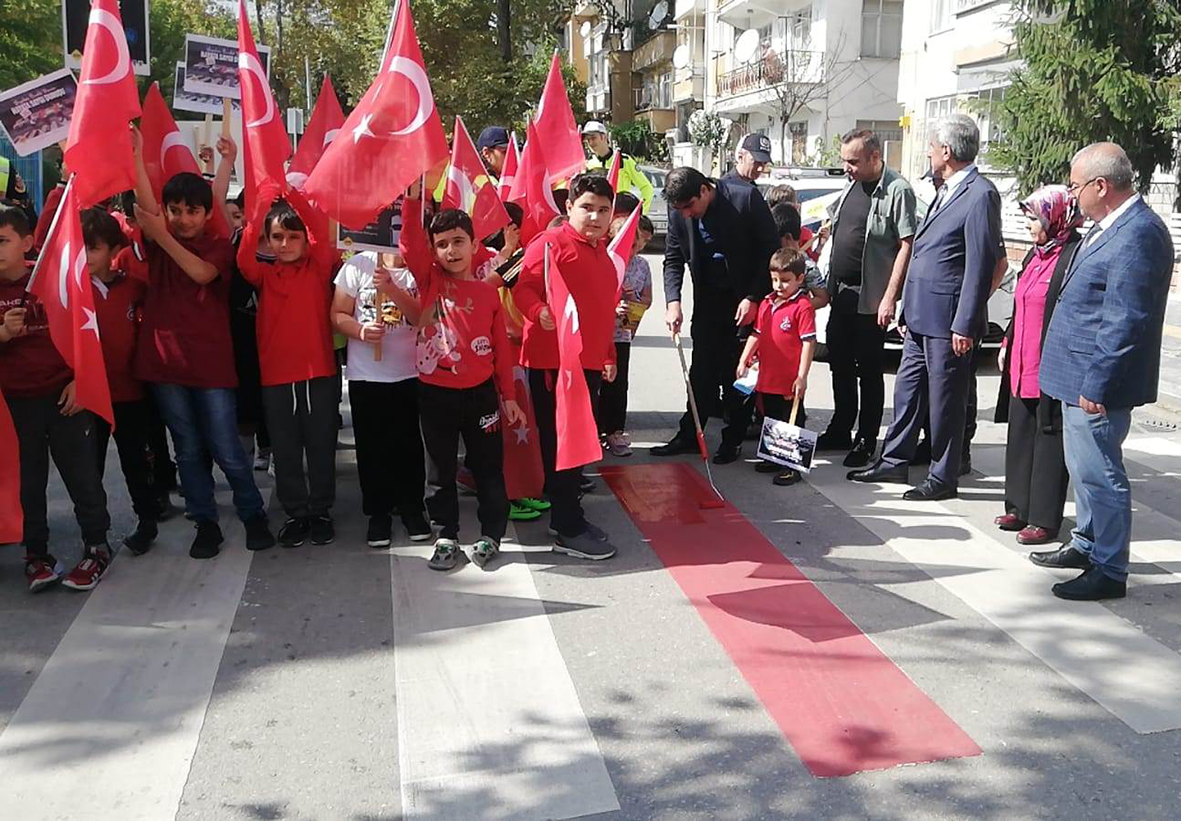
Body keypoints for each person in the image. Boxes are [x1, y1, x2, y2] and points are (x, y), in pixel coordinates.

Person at [1032, 142, 1174, 601]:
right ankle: (1087, 542)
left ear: (1101, 185)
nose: (1070, 195)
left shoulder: (1139, 233)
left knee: (1100, 472)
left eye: (1075, 186)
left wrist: (1099, 382)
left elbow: (1125, 319)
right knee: (1083, 467)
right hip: (1075, 375)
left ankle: (1110, 567)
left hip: (1096, 382)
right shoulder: (1103, 226)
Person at [131, 132, 276, 559]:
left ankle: (252, 513)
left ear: (205, 213)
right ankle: (205, 521)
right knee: (188, 449)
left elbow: (200, 274)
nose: (181, 218)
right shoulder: (156, 241)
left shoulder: (216, 245)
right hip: (164, 366)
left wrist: (163, 234)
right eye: (174, 211)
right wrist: (137, 156)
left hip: (211, 366)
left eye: (191, 211)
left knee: (227, 447)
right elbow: (145, 201)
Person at [848, 114, 1001, 500]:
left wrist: (965, 323)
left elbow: (981, 263)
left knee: (946, 401)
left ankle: (942, 476)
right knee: (908, 391)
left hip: (948, 319)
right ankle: (893, 461)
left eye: (932, 147)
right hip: (920, 314)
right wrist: (905, 306)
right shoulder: (945, 189)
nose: (929, 153)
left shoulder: (980, 194)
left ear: (946, 152)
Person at [398, 191, 525, 571]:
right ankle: (446, 536)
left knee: (488, 468)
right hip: (435, 395)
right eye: (441, 244)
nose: (450, 250)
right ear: (433, 251)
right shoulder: (430, 280)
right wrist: (412, 202)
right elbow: (408, 246)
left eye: (458, 242)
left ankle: (491, 536)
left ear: (474, 245)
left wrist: (509, 397)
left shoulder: (488, 293)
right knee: (439, 471)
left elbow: (501, 352)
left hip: (481, 397)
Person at [1, 201, 112, 591]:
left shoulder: (53, 279)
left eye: (3, 241)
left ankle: (97, 545)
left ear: (28, 242)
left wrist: (82, 381)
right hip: (17, 404)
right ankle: (36, 554)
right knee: (29, 484)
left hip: (64, 398)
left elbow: (89, 333)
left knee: (81, 477)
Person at [515, 173, 620, 560]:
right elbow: (522, 288)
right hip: (553, 363)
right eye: (586, 208)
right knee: (561, 446)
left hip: (587, 364)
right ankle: (567, 526)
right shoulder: (549, 245)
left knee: (578, 447)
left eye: (602, 210)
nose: (594, 217)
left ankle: (570, 515)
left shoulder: (602, 255)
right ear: (568, 208)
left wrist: (608, 355)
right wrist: (539, 310)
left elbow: (602, 312)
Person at [237, 183, 339, 548]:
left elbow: (320, 233)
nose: (284, 244)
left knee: (321, 444)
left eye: (292, 237)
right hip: (277, 376)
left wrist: (291, 194)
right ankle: (297, 513)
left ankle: (321, 510)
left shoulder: (318, 267)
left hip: (319, 373)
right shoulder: (264, 275)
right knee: (285, 448)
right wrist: (261, 206)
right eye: (276, 237)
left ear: (304, 240)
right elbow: (243, 258)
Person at [654, 167, 779, 464]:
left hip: (744, 301)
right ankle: (690, 433)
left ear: (705, 190)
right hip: (708, 300)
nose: (685, 214)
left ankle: (733, 438)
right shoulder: (679, 214)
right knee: (701, 373)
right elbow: (673, 259)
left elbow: (770, 253)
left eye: (689, 207)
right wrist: (673, 301)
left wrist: (753, 297)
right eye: (679, 209)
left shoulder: (745, 200)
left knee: (736, 374)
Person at [818, 129, 918, 469]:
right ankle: (840, 428)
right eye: (845, 160)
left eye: (853, 161)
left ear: (875, 158)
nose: (847, 167)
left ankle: (866, 437)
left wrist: (890, 296)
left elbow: (906, 242)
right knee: (839, 364)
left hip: (871, 297)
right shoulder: (852, 186)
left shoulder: (897, 190)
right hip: (842, 293)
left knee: (869, 370)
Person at [992, 186, 1080, 549]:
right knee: (1021, 431)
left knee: (1048, 437)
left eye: (1035, 218)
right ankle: (1018, 506)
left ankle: (1044, 518)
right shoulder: (1035, 254)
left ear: (1056, 217)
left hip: (1050, 360)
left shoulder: (1072, 254)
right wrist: (1007, 340)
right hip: (1022, 356)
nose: (1029, 224)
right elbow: (1022, 300)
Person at [332, 243, 432, 548]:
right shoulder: (358, 265)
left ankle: (412, 507)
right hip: (367, 375)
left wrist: (390, 286)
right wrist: (361, 331)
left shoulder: (422, 268)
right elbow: (337, 313)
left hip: (410, 373)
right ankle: (378, 511)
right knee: (372, 446)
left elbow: (421, 317)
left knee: (409, 444)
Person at [81, 207, 162, 556]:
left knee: (135, 462)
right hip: (88, 397)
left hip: (130, 393)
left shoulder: (135, 288)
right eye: (81, 246)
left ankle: (147, 523)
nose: (86, 256)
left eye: (94, 248)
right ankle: (94, 536)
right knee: (89, 470)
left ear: (115, 252)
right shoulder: (73, 291)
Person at [736, 248, 816, 486]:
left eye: (785, 280)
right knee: (770, 417)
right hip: (768, 375)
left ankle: (792, 466)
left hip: (789, 378)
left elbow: (808, 342)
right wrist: (744, 359)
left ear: (800, 279)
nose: (779, 286)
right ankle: (775, 456)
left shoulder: (802, 306)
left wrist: (802, 376)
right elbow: (757, 334)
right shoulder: (767, 303)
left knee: (791, 419)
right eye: (774, 280)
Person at [598, 214, 654, 456]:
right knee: (595, 384)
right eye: (624, 244)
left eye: (634, 244)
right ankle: (594, 430)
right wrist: (612, 305)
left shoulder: (642, 265)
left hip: (622, 334)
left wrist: (634, 302)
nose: (629, 251)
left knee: (618, 384)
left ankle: (615, 431)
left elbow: (648, 297)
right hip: (597, 335)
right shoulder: (603, 261)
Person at [582, 120, 655, 213]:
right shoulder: (588, 164)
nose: (591, 143)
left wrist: (639, 215)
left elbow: (646, 188)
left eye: (593, 138)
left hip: (619, 216)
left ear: (603, 137)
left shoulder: (624, 160)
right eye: (588, 140)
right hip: (597, 218)